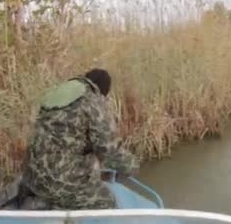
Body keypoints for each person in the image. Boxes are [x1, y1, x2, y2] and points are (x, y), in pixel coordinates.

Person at [19, 68, 140, 210]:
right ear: (102, 91)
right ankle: (57, 204)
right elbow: (108, 149)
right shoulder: (92, 101)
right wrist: (131, 166)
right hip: (57, 180)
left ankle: (43, 200)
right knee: (106, 201)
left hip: (32, 177)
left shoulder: (56, 94)